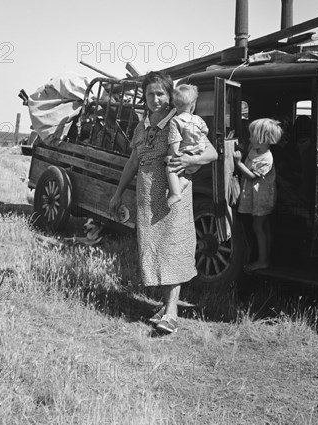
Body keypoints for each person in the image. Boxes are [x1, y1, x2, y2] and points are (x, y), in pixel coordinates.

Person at [109, 72, 218, 334]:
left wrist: (191, 161)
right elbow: (133, 162)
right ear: (144, 97)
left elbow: (211, 152)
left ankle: (172, 312)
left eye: (160, 93)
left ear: (170, 96)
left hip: (173, 196)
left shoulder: (180, 122)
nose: (155, 99)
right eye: (150, 94)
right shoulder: (141, 126)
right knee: (155, 250)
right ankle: (166, 304)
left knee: (172, 249)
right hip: (147, 197)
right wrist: (118, 193)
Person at [233, 118, 283, 272]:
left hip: (262, 198)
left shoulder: (266, 158)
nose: (249, 139)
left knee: (258, 226)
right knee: (263, 226)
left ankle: (263, 260)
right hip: (256, 196)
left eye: (252, 136)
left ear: (263, 139)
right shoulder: (255, 148)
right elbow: (247, 149)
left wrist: (238, 163)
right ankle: (265, 255)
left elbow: (251, 176)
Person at [165, 84, 210, 208]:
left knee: (170, 168)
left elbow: (174, 140)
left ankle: (175, 193)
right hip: (198, 156)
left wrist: (173, 156)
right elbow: (205, 132)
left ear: (174, 104)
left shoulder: (176, 121)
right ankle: (183, 182)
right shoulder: (199, 119)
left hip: (185, 153)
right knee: (184, 173)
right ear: (193, 104)